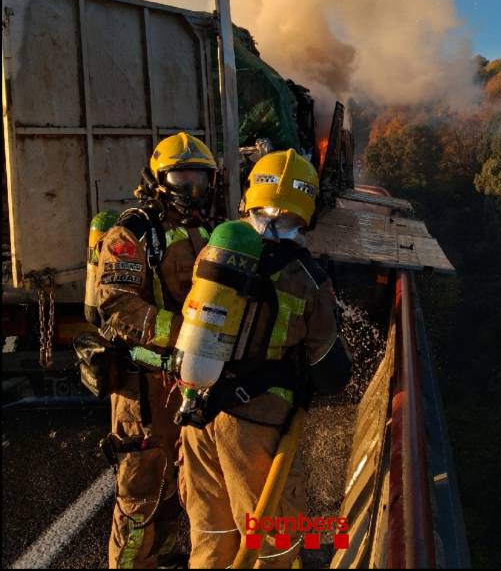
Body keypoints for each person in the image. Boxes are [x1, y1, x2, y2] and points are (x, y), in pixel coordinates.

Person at [178, 149, 352, 569]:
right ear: (306, 209)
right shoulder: (308, 279)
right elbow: (329, 372)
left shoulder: (217, 252)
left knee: (211, 536)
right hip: (256, 426)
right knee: (274, 542)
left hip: (198, 411)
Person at [93, 132, 217, 568]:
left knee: (180, 491)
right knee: (141, 495)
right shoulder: (134, 232)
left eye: (200, 179)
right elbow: (116, 303)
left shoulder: (211, 229)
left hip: (192, 382)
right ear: (159, 181)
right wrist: (183, 333)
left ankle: (161, 561)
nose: (192, 190)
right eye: (181, 179)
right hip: (144, 389)